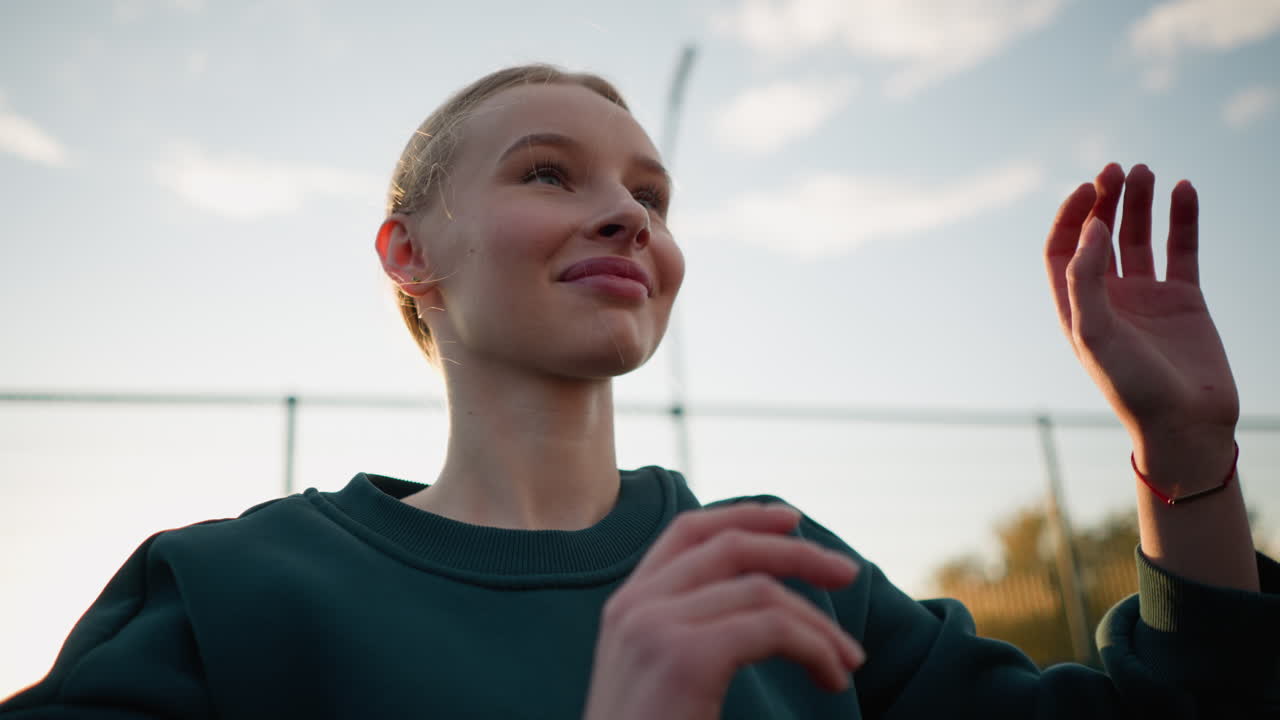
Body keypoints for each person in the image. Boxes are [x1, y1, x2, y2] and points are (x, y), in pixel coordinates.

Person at [1, 64, 1276, 719]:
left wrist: (1181, 456)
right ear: (408, 255)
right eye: (548, 173)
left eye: (650, 197)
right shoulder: (233, 595)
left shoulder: (781, 570)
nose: (621, 212)